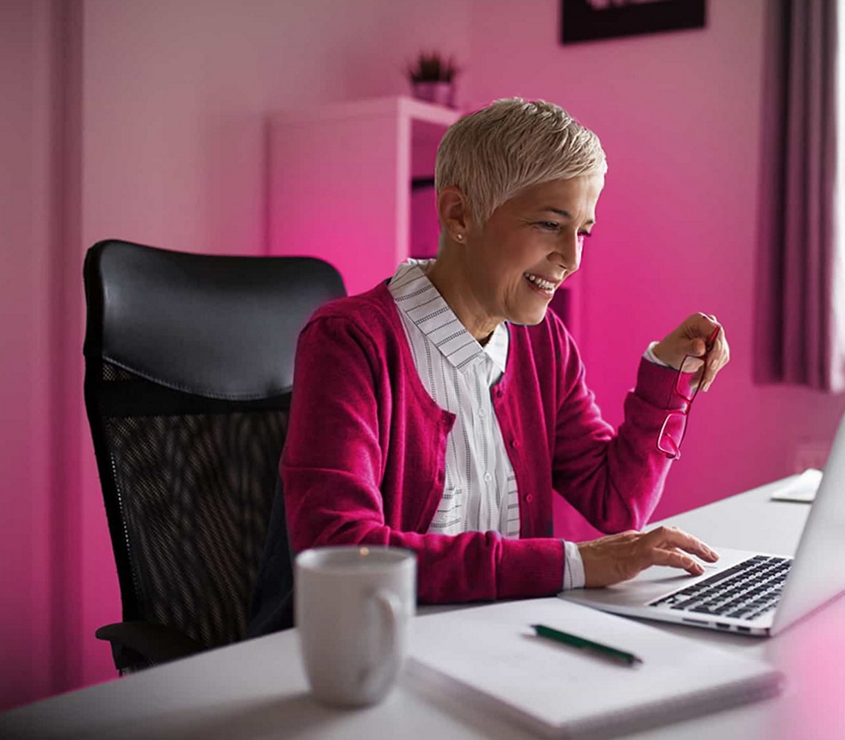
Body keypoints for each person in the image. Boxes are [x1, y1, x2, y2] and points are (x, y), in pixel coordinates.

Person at [247, 98, 730, 633]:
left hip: (497, 642)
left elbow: (618, 503)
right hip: (364, 652)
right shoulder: (350, 342)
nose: (572, 258)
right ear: (458, 214)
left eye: (584, 231)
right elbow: (342, 550)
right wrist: (576, 563)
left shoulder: (544, 342)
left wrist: (669, 374)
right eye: (551, 224)